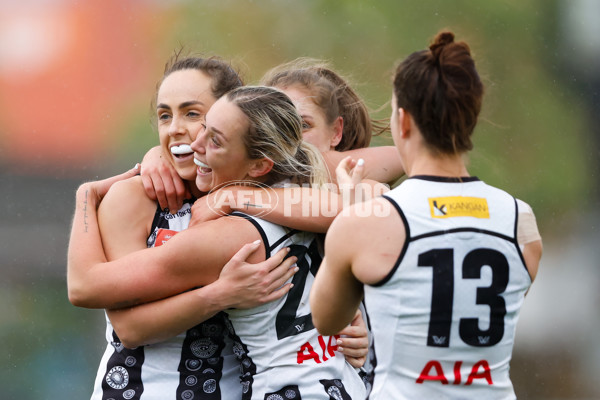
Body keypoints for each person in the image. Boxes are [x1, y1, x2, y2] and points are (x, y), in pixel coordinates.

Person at [68, 86, 367, 399]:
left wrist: (85, 197)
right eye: (204, 127)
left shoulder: (230, 236)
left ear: (260, 165)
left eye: (214, 137)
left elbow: (86, 287)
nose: (193, 142)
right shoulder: (317, 201)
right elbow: (366, 204)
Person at [310, 31, 543, 399]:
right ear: (470, 120)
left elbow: (327, 320)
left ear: (403, 121)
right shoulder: (522, 221)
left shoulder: (364, 222)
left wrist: (352, 215)